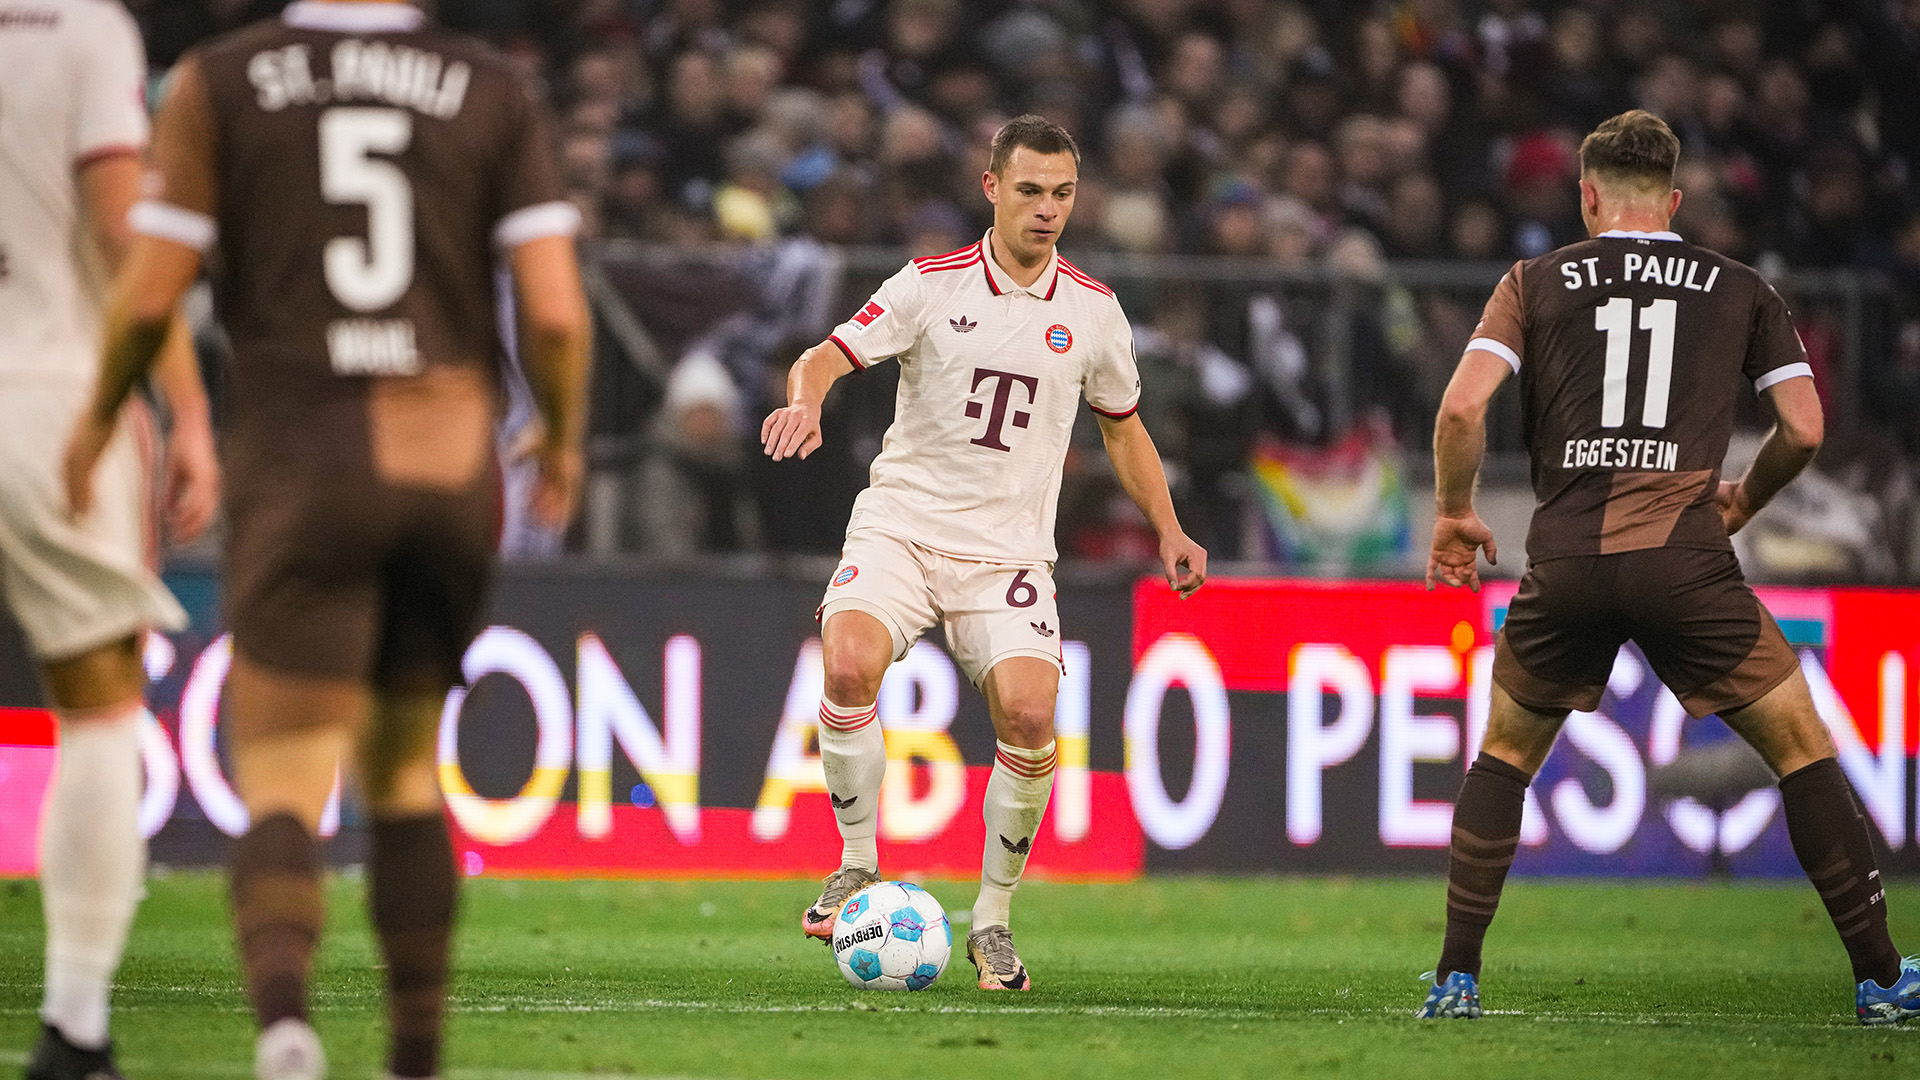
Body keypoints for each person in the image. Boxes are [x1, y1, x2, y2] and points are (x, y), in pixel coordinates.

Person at [63, 1, 592, 1076]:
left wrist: (99, 418)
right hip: (446, 464)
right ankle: (412, 1056)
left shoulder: (220, 79)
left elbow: (147, 292)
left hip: (302, 462)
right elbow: (554, 311)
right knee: (402, 777)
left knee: (284, 781)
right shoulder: (489, 85)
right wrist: (565, 437)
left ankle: (288, 1027)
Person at [1419, 109, 1919, 1024]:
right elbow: (1804, 428)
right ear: (1676, 200)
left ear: (1588, 197)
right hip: (1684, 560)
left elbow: (1460, 411)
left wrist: (1454, 513)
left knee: (1503, 757)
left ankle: (1456, 980)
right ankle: (1882, 977)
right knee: (1802, 750)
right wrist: (1745, 500)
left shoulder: (1533, 279)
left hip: (1564, 558)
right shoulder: (1740, 286)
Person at [761, 114, 1206, 991]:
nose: (1048, 209)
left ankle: (993, 920)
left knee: (1032, 722)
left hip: (1007, 556)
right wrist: (806, 400)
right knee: (847, 668)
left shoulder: (1094, 312)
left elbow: (1124, 431)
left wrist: (1169, 525)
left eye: (1064, 193)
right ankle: (856, 861)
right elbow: (824, 357)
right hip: (901, 524)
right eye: (1032, 190)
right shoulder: (929, 284)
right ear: (992, 189)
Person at [2, 1, 221, 1076]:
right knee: (96, 713)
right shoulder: (85, 32)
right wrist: (183, 401)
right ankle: (75, 1028)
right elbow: (116, 228)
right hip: (50, 396)